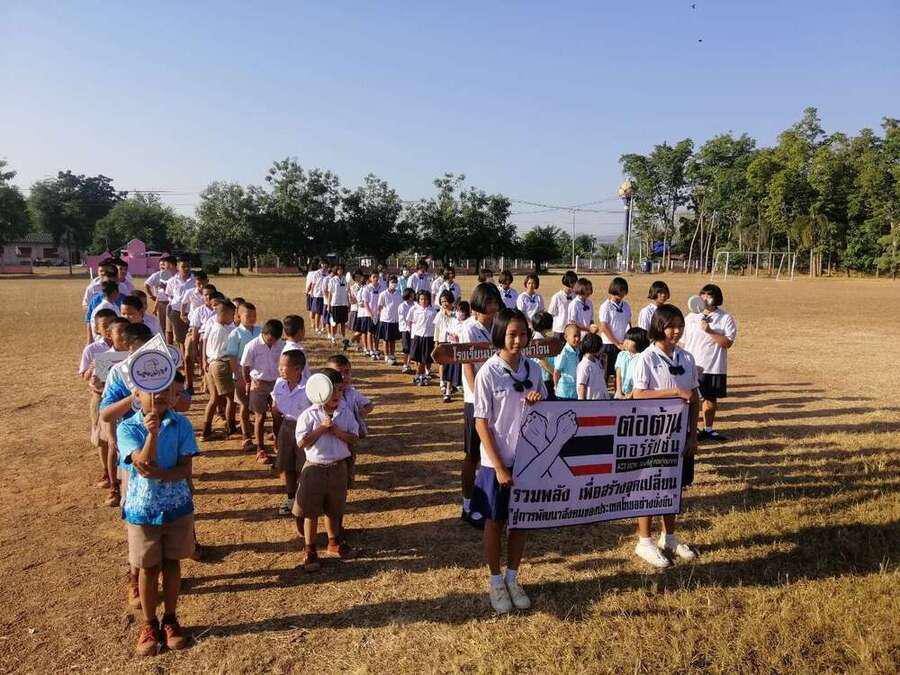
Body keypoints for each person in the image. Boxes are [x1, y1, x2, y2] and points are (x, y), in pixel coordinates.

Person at [471, 308, 546, 614]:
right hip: (497, 462)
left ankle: (513, 577)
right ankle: (495, 580)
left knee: (521, 520)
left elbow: (544, 408)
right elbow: (481, 422)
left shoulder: (533, 369)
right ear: (500, 335)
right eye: (512, 334)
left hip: (526, 459)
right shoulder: (488, 372)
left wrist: (537, 401)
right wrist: (499, 466)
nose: (518, 340)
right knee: (495, 521)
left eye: (523, 334)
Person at [118, 384, 198, 656]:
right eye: (149, 391)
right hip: (143, 509)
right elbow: (141, 464)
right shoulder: (128, 427)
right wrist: (152, 435)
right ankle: (150, 623)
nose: (158, 395)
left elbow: (185, 468)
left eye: (165, 389)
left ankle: (171, 619)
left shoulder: (182, 424)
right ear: (137, 396)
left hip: (176, 507)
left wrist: (163, 475)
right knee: (148, 568)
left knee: (172, 562)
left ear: (174, 394)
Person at [630, 304, 700, 568]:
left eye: (680, 326)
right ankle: (644, 540)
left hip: (680, 434)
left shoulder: (686, 358)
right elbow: (638, 394)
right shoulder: (646, 358)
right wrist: (674, 393)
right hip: (652, 435)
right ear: (659, 327)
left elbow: (694, 397)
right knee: (649, 486)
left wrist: (693, 434)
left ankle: (669, 536)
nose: (676, 331)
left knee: (673, 485)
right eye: (671, 326)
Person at [293, 367, 359, 572]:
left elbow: (354, 437)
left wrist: (337, 431)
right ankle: (310, 549)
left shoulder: (345, 413)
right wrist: (322, 428)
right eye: (333, 390)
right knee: (310, 512)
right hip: (314, 469)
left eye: (340, 389)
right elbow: (302, 442)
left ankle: (334, 542)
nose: (337, 394)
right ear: (321, 391)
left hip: (338, 467)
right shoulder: (308, 415)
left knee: (334, 509)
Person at [458, 282, 503, 528]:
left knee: (495, 450)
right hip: (475, 400)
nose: (493, 307)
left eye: (495, 302)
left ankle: (491, 502)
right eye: (489, 302)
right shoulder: (469, 328)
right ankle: (467, 504)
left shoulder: (499, 325)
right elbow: (468, 367)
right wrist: (479, 398)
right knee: (473, 454)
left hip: (499, 397)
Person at [681, 283, 737, 441]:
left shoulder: (725, 318)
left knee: (710, 399)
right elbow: (682, 342)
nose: (705, 298)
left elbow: (727, 343)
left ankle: (708, 429)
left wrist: (710, 331)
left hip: (713, 366)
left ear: (716, 298)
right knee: (690, 399)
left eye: (709, 295)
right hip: (692, 366)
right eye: (703, 294)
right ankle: (689, 429)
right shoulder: (690, 317)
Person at [79, 308, 118, 488]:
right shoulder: (92, 349)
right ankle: (106, 472)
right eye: (104, 325)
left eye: (111, 324)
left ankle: (119, 471)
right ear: (97, 328)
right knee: (102, 439)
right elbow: (84, 375)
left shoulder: (124, 345)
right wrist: (93, 368)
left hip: (119, 398)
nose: (108, 329)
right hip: (100, 397)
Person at [240, 319, 285, 464]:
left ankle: (278, 443)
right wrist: (248, 382)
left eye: (276, 340)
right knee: (260, 416)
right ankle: (260, 449)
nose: (273, 343)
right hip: (258, 384)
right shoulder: (252, 346)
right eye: (270, 340)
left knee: (277, 415)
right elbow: (245, 366)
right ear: (264, 334)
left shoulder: (281, 345)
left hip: (277, 384)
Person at [273, 349, 310, 516]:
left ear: (297, 369)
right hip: (286, 426)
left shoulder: (309, 387)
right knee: (286, 463)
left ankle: (303, 497)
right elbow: (276, 408)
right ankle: (290, 496)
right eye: (279, 365)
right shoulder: (279, 384)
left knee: (302, 464)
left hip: (305, 429)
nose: (280, 369)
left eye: (283, 366)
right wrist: (277, 432)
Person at [226, 301, 261, 451]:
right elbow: (232, 357)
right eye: (248, 316)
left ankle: (261, 433)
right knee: (244, 405)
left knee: (259, 405)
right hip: (242, 374)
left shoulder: (260, 330)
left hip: (258, 374)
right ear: (239, 316)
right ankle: (246, 436)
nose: (252, 318)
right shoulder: (235, 334)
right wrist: (238, 376)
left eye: (254, 315)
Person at [202, 301, 237, 440]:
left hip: (212, 363)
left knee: (214, 398)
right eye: (232, 314)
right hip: (221, 364)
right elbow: (227, 352)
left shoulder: (214, 327)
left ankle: (206, 431)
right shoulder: (222, 331)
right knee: (231, 398)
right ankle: (231, 428)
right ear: (224, 314)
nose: (233, 318)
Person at [597, 277, 632, 386]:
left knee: (620, 372)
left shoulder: (626, 306)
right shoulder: (606, 306)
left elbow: (628, 324)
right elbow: (604, 327)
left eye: (624, 290)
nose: (622, 293)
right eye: (620, 290)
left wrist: (626, 341)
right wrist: (616, 343)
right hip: (608, 344)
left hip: (622, 345)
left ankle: (618, 392)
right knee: (605, 373)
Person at [434, 290, 462, 403]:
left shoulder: (456, 314)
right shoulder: (439, 314)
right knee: (442, 363)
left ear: (450, 301)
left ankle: (450, 387)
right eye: (442, 302)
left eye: (445, 301)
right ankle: (442, 382)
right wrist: (436, 341)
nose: (444, 304)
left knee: (451, 365)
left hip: (453, 343)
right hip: (442, 341)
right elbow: (437, 329)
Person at [164, 257, 194, 352]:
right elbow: (169, 294)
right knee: (180, 338)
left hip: (192, 312)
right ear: (177, 267)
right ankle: (183, 356)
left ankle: (190, 356)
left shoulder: (195, 280)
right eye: (183, 266)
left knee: (192, 336)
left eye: (188, 266)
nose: (186, 269)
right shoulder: (172, 281)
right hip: (176, 312)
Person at [409, 289, 438, 386]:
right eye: (421, 299)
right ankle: (418, 375)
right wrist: (412, 335)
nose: (424, 301)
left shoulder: (433, 311)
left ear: (429, 300)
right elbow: (411, 322)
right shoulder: (415, 310)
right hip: (418, 336)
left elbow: (436, 325)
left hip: (429, 337)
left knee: (427, 358)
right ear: (418, 300)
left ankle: (425, 375)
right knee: (419, 359)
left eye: (426, 299)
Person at [144, 255, 176, 342]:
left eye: (165, 264)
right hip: (162, 304)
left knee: (173, 328)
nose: (163, 267)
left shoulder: (177, 276)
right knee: (164, 327)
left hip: (174, 305)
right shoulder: (161, 275)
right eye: (162, 264)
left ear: (171, 265)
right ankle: (166, 343)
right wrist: (153, 299)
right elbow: (160, 293)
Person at [614, 327, 650, 399]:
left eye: (631, 340)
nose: (626, 342)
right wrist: (618, 391)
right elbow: (618, 374)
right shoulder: (621, 355)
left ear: (639, 343)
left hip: (636, 394)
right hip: (622, 392)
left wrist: (631, 395)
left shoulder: (642, 357)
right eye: (626, 338)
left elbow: (640, 380)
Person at [375, 275, 403, 365]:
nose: (394, 284)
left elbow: (401, 306)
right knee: (386, 339)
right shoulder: (383, 294)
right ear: (388, 283)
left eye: (395, 282)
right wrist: (378, 317)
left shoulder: (399, 294)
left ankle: (392, 354)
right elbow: (379, 306)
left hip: (395, 320)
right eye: (392, 282)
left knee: (393, 339)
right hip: (385, 319)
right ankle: (386, 355)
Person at [576, 333, 609, 400]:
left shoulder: (596, 361)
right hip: (592, 401)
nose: (602, 349)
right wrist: (583, 404)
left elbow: (602, 378)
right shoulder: (584, 365)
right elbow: (581, 386)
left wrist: (605, 364)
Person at [553, 324, 582, 400]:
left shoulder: (577, 350)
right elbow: (556, 372)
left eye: (579, 336)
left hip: (574, 391)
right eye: (575, 336)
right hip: (564, 393)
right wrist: (556, 387)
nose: (577, 339)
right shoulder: (564, 353)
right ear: (566, 337)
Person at [547, 270, 578, 340]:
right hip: (559, 330)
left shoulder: (576, 297)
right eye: (573, 283)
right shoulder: (557, 297)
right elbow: (551, 313)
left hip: (572, 330)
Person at [326, 262, 351, 348]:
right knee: (334, 323)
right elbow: (330, 294)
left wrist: (348, 303)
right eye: (339, 269)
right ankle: (333, 337)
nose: (340, 271)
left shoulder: (345, 280)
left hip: (343, 304)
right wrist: (329, 305)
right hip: (335, 304)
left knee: (343, 322)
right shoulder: (332, 280)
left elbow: (347, 292)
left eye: (341, 269)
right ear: (336, 270)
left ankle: (343, 337)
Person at [398, 288, 416, 373]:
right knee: (406, 348)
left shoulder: (415, 304)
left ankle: (408, 364)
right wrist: (409, 325)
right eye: (411, 294)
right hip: (405, 329)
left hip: (414, 329)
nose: (413, 295)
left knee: (412, 348)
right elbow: (403, 318)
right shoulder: (402, 306)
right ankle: (405, 365)